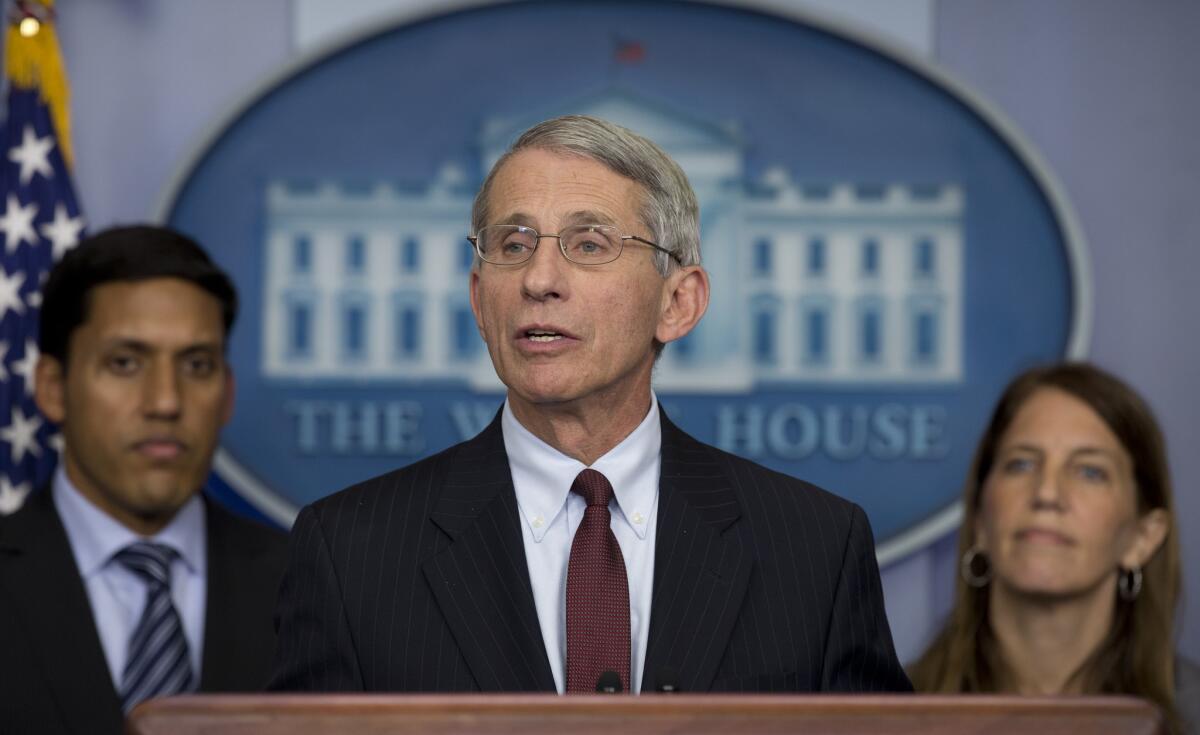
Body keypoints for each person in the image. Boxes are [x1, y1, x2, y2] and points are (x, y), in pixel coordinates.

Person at [270, 115, 910, 694]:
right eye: (514, 245)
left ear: (677, 302)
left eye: (589, 244)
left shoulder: (815, 548)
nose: (539, 280)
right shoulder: (350, 550)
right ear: (477, 297)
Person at [0, 226, 288, 735]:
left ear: (226, 394)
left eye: (197, 365)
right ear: (51, 388)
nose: (165, 402)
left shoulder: (306, 585)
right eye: (125, 363)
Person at [909, 363, 1199, 734]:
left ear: (1144, 537)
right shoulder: (890, 710)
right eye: (1021, 464)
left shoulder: (1191, 715)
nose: (1046, 493)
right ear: (981, 519)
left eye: (1089, 472)